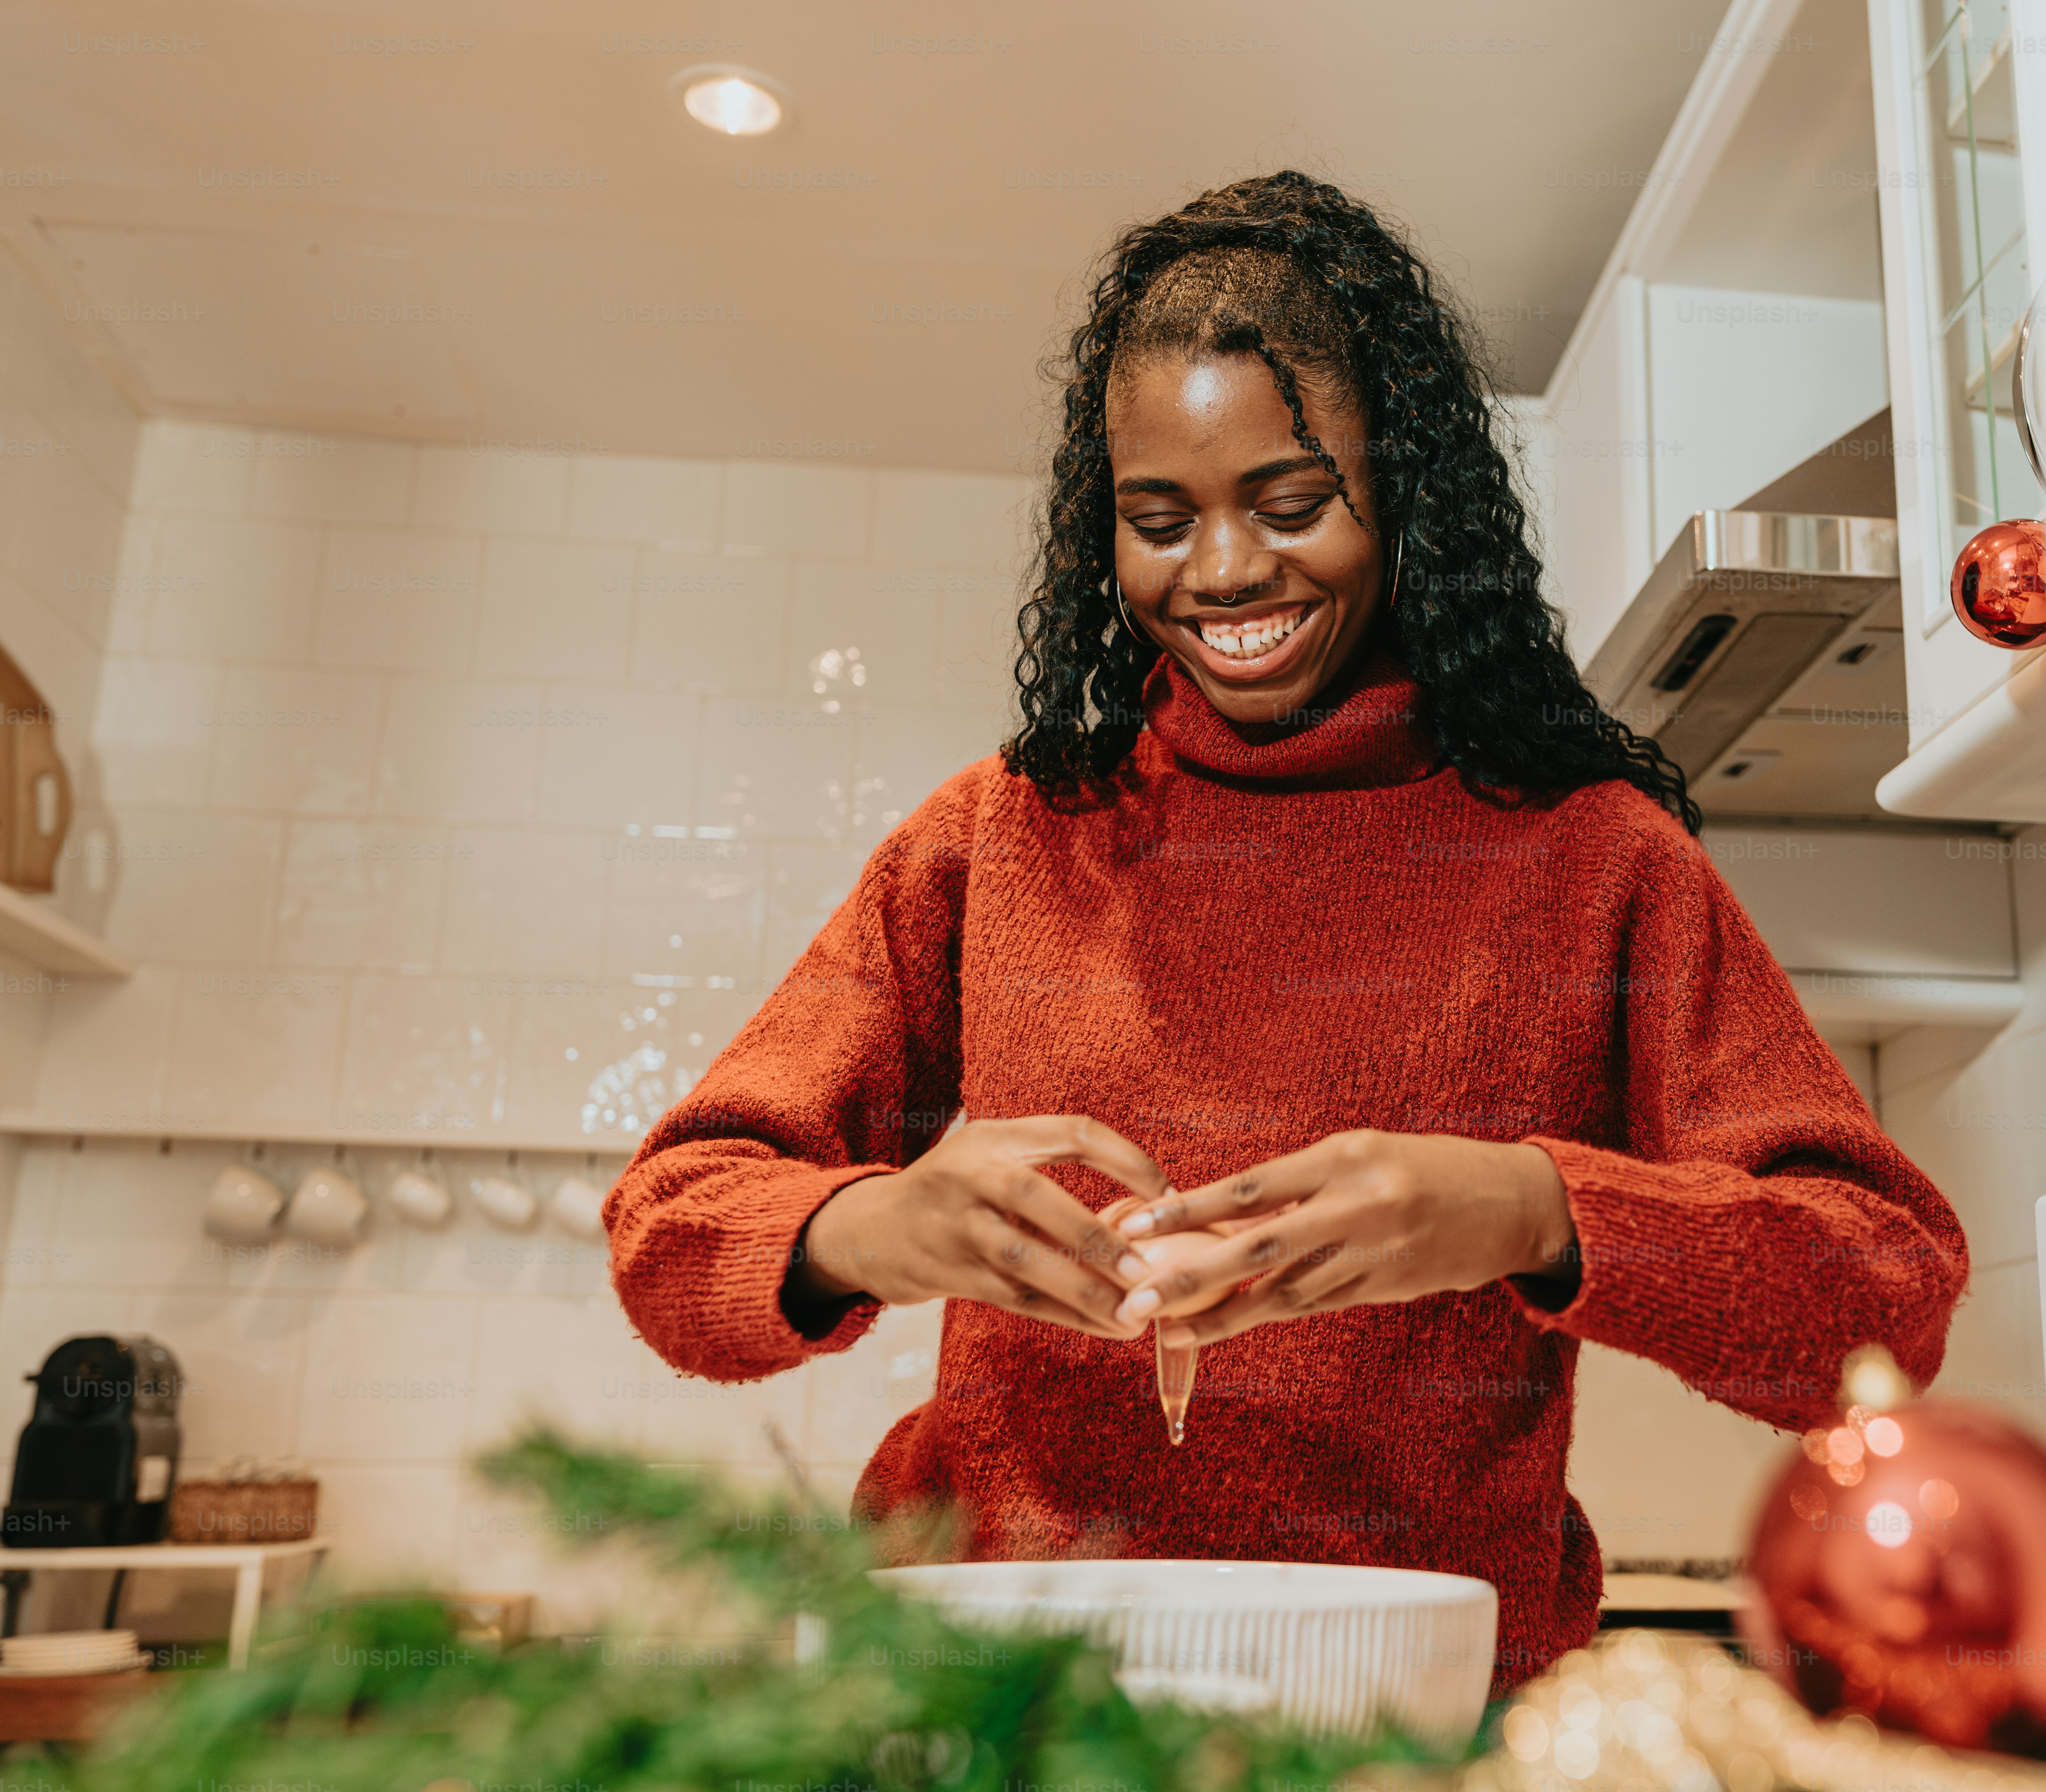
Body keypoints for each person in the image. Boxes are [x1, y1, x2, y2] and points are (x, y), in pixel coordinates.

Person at [605, 170, 1967, 1697]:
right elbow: (670, 1227)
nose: (1227, 572)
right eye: (1158, 518)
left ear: (1403, 494)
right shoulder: (996, 838)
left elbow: (1885, 1290)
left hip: (1407, 1723)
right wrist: (875, 1226)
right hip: (984, 1709)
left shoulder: (1592, 863)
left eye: (1293, 501)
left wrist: (1531, 1207)